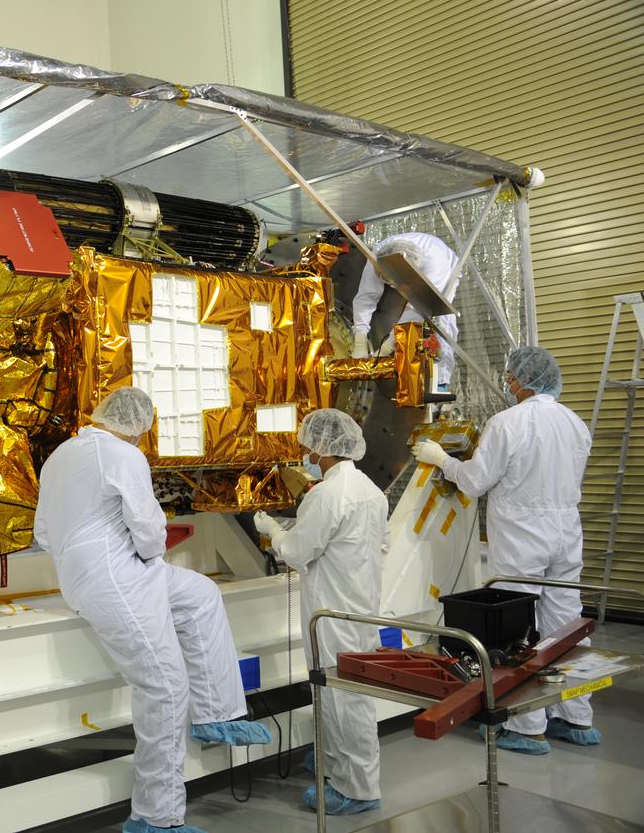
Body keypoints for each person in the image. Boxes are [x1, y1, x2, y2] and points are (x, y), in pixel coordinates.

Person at [34, 387, 271, 833]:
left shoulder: (61, 456)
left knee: (201, 595)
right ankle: (155, 817)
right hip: (119, 578)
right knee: (164, 686)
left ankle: (216, 714)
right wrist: (144, 552)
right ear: (138, 427)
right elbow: (147, 527)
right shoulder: (123, 455)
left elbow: (43, 532)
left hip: (92, 575)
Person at [412, 346, 597, 754]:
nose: (510, 385)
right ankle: (576, 717)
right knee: (566, 624)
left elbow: (475, 481)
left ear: (523, 381)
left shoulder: (507, 423)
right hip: (566, 532)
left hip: (521, 536)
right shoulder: (574, 422)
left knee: (517, 629)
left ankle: (526, 726)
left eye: (512, 378)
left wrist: (441, 459)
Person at [253, 409, 386, 816]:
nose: (306, 454)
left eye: (309, 446)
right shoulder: (370, 489)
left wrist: (273, 531)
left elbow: (297, 553)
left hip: (332, 614)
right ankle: (335, 761)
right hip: (360, 606)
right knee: (344, 693)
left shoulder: (326, 495)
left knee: (344, 699)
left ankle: (357, 789)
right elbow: (378, 544)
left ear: (322, 448)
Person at [352, 231, 458, 390]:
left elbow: (417, 309)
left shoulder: (436, 265)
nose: (391, 286)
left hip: (446, 267)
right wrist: (359, 339)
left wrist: (388, 345)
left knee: (441, 317)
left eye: (392, 282)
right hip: (402, 261)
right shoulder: (378, 255)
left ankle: (440, 383)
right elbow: (366, 295)